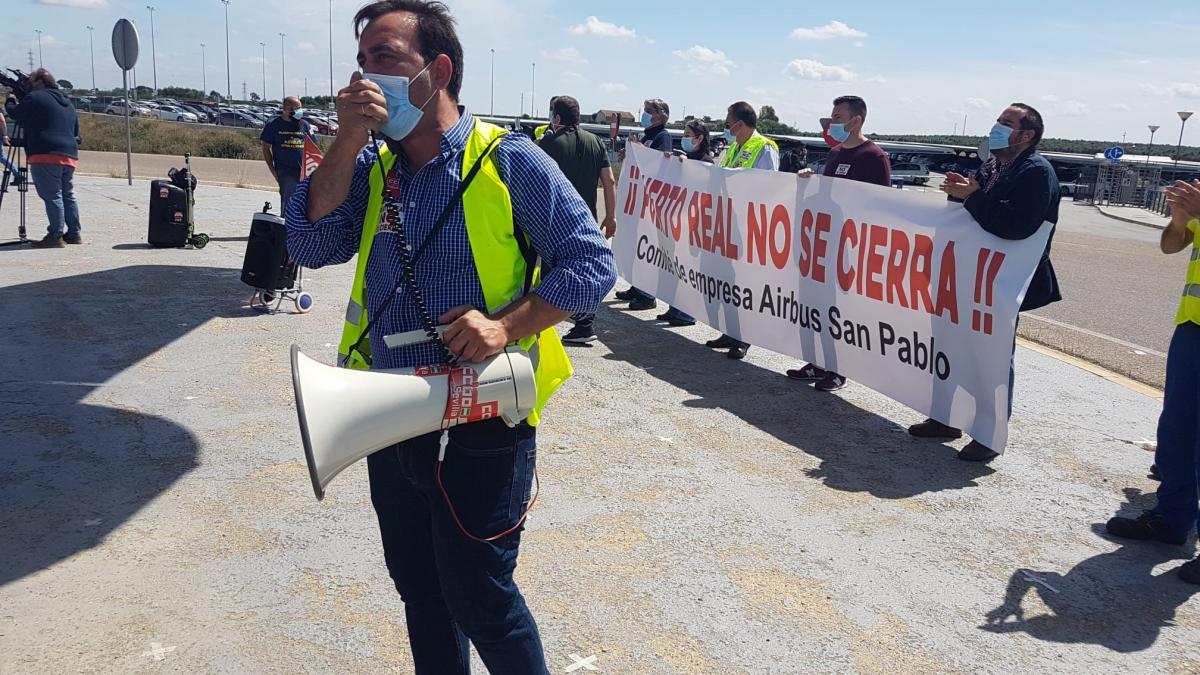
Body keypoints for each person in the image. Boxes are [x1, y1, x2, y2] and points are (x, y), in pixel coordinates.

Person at [284, 2, 615, 672]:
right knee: (421, 591)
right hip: (386, 411)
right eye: (360, 61)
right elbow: (310, 243)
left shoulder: (508, 160)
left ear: (436, 71)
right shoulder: (372, 166)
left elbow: (591, 264)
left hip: (482, 415)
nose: (363, 76)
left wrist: (506, 325)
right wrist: (346, 140)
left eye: (383, 57)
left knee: (481, 597)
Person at [907, 103, 1061, 463]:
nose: (996, 127)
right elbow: (974, 211)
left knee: (990, 357)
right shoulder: (993, 165)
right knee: (952, 346)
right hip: (970, 276)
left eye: (1006, 123)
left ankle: (989, 433)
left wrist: (972, 197)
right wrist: (959, 192)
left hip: (1003, 281)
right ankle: (946, 418)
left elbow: (1015, 226)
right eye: (997, 121)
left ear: (1027, 135)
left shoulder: (1036, 172)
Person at [1105, 178, 1200, 583]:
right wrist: (1180, 219)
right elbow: (1171, 245)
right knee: (1176, 431)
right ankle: (1171, 519)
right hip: (1192, 328)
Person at [787, 95, 891, 391]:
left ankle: (838, 369)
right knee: (817, 306)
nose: (831, 123)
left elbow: (881, 205)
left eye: (837, 118)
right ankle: (816, 363)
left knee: (838, 311)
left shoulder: (873, 157)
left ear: (856, 120)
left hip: (850, 247)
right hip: (824, 244)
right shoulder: (834, 154)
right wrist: (808, 181)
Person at [703, 101, 779, 359]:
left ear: (739, 123)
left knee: (745, 285)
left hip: (750, 228)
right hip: (729, 225)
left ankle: (744, 338)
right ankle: (730, 331)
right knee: (728, 282)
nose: (726, 126)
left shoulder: (764, 147)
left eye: (728, 121)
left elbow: (769, 186)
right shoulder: (734, 147)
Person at [538, 95, 617, 343]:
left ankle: (544, 323)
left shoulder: (549, 144)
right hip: (588, 217)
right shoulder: (595, 142)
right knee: (584, 269)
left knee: (552, 273)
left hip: (556, 219)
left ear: (557, 117)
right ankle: (585, 324)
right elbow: (609, 181)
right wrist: (611, 216)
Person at [616, 98, 696, 324]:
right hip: (639, 201)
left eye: (649, 111)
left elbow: (658, 164)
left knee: (649, 245)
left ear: (660, 115)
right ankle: (637, 286)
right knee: (636, 245)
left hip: (651, 204)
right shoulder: (647, 135)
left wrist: (639, 151)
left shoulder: (663, 136)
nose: (645, 114)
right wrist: (629, 154)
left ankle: (647, 294)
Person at [4, 68, 81, 248]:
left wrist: (10, 100)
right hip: (69, 154)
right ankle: (74, 234)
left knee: (52, 195)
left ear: (40, 82)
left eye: (30, 80)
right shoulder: (67, 102)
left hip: (45, 153)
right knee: (67, 195)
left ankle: (55, 235)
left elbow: (15, 114)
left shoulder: (35, 97)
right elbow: (76, 131)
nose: (28, 85)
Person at [261, 96, 318, 209]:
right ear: (286, 109)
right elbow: (265, 147)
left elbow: (313, 147)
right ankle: (286, 219)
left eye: (300, 108)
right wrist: (273, 169)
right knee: (290, 203)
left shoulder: (304, 125)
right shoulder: (273, 125)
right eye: (297, 108)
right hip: (285, 172)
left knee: (305, 204)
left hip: (304, 172)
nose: (300, 111)